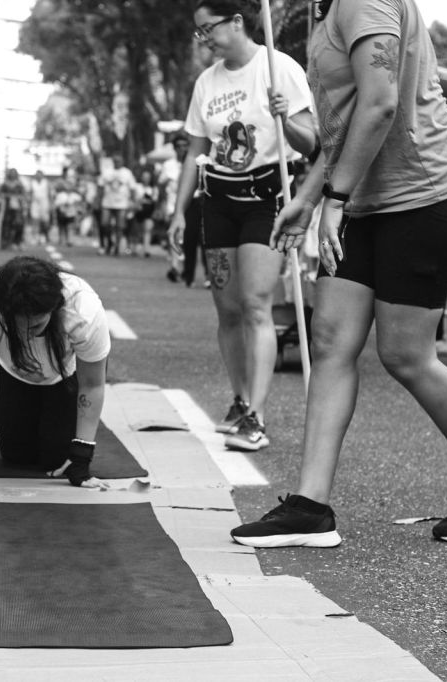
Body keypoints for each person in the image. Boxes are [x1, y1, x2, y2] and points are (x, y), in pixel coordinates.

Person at [232, 0, 447, 548]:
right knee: (330, 340)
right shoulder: (327, 14)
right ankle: (310, 507)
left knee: (405, 354)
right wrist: (310, 195)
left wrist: (334, 200)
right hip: (363, 199)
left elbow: (382, 103)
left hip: (425, 195)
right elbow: (343, 126)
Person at [168, 0, 316, 452]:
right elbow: (195, 151)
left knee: (255, 305)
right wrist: (178, 212)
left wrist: (285, 115)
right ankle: (238, 400)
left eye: (208, 28)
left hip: (266, 197)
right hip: (217, 199)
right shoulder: (206, 83)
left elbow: (312, 145)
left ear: (237, 22)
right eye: (198, 33)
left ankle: (257, 414)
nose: (204, 39)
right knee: (227, 309)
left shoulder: (279, 68)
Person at [0, 256, 111, 500]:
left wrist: (82, 455)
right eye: (16, 326)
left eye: (36, 326)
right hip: (11, 372)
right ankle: (11, 429)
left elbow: (92, 384)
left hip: (63, 378)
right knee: (17, 457)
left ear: (54, 307)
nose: (24, 335)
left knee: (56, 460)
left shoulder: (84, 309)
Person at [160, 133, 195, 283]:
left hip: (192, 204)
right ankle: (175, 267)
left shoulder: (194, 162)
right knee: (174, 235)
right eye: (178, 146)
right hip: (172, 205)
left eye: (184, 145)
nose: (182, 149)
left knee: (189, 239)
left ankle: (187, 269)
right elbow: (160, 186)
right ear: (174, 148)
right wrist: (160, 206)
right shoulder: (168, 165)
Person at [99, 155, 137, 255]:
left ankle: (117, 246)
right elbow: (100, 186)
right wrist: (98, 200)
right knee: (104, 224)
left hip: (121, 203)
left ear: (122, 161)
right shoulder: (107, 171)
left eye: (119, 160)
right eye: (115, 160)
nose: (117, 162)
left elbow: (133, 188)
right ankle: (110, 242)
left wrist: (133, 202)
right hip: (107, 202)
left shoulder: (127, 172)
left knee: (120, 226)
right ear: (113, 161)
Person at [0, 168, 27, 249]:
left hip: (18, 207)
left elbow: (24, 195)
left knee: (19, 224)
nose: (13, 174)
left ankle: (17, 241)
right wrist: (8, 196)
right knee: (7, 224)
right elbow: (0, 194)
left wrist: (19, 198)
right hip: (7, 207)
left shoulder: (19, 184)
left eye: (14, 173)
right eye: (11, 173)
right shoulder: (5, 184)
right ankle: (6, 243)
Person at [132, 167, 158, 258]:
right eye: (144, 177)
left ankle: (146, 249)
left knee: (147, 230)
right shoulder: (137, 187)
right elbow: (134, 199)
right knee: (137, 231)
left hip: (148, 212)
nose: (145, 179)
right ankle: (135, 248)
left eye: (147, 177)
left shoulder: (153, 189)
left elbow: (154, 201)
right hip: (138, 211)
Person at [29, 170, 53, 245]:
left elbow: (50, 194)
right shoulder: (32, 183)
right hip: (35, 203)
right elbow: (30, 193)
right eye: (37, 175)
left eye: (40, 175)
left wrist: (51, 204)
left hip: (44, 202)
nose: (38, 176)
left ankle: (44, 235)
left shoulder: (46, 182)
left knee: (45, 221)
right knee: (35, 220)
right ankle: (35, 237)